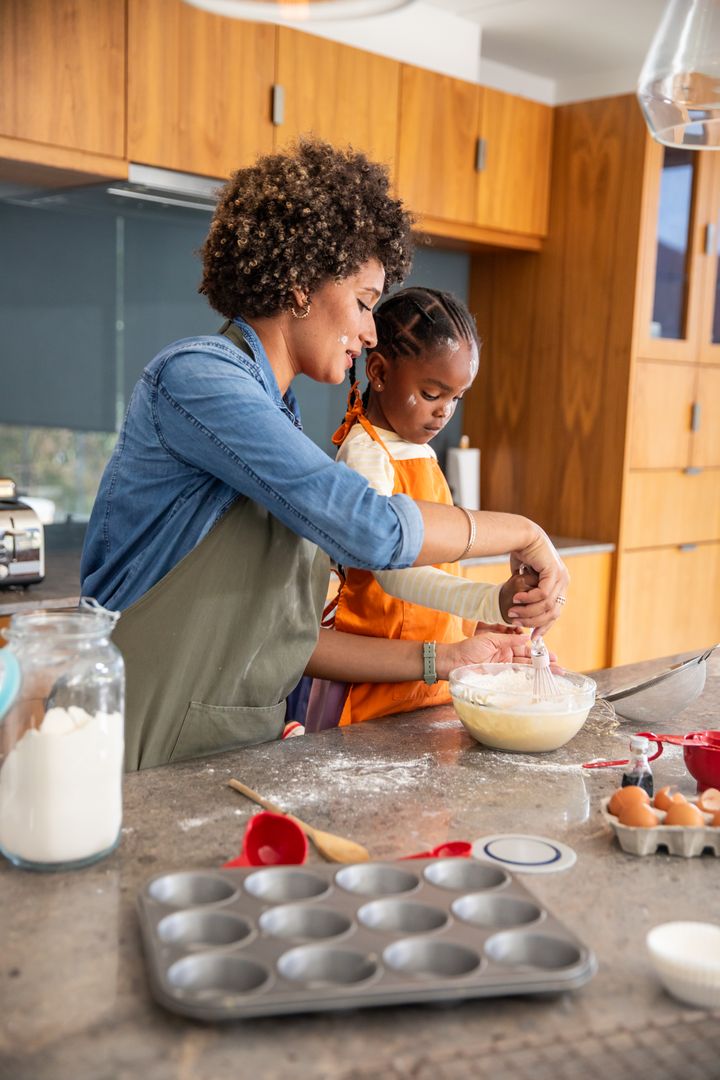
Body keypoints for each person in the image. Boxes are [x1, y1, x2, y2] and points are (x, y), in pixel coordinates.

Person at [80, 138, 569, 771]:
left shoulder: (279, 422)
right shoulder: (198, 379)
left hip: (224, 762)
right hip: (135, 756)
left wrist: (449, 660)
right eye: (365, 302)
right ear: (300, 282)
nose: (370, 331)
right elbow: (370, 526)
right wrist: (524, 533)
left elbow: (296, 639)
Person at [319, 286, 533, 727]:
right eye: (433, 393)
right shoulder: (367, 453)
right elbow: (396, 578)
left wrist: (471, 630)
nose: (445, 413)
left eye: (457, 398)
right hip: (374, 695)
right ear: (378, 372)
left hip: (427, 684)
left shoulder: (416, 449)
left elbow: (436, 576)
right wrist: (490, 602)